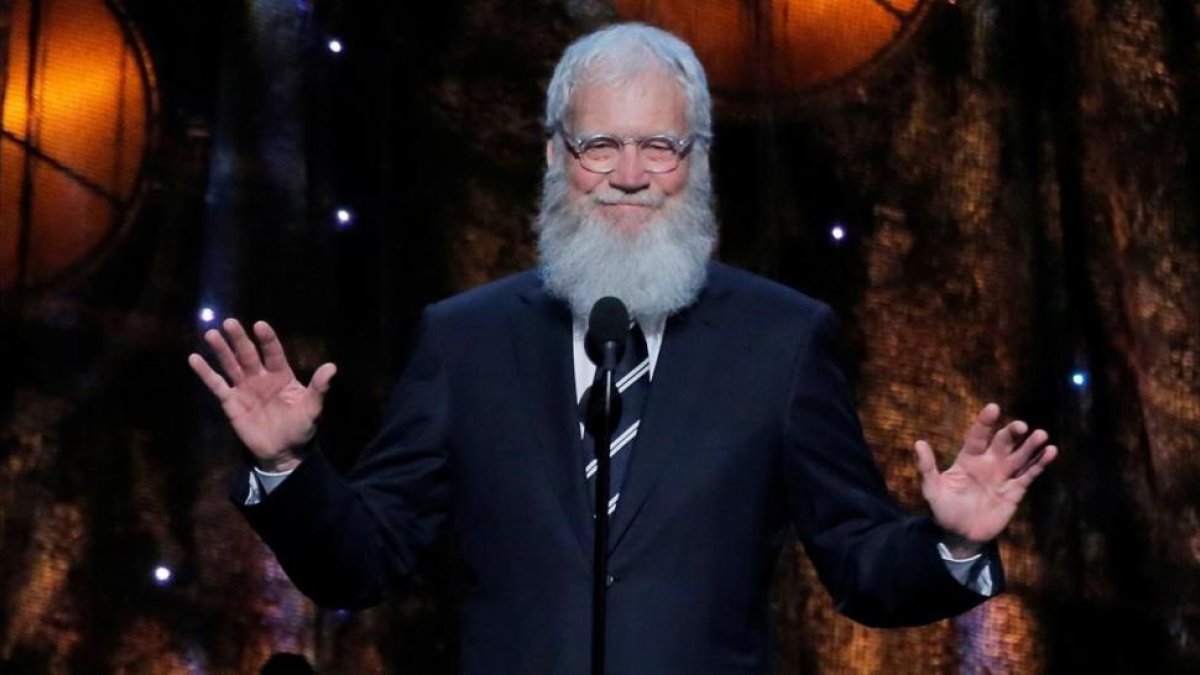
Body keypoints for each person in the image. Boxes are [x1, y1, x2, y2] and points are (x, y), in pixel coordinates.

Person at [188, 23, 1058, 673]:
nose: (631, 174)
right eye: (600, 145)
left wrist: (950, 545)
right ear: (555, 156)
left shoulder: (783, 340)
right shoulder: (464, 340)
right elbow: (361, 563)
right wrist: (290, 470)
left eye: (659, 147)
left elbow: (863, 566)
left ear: (699, 159)